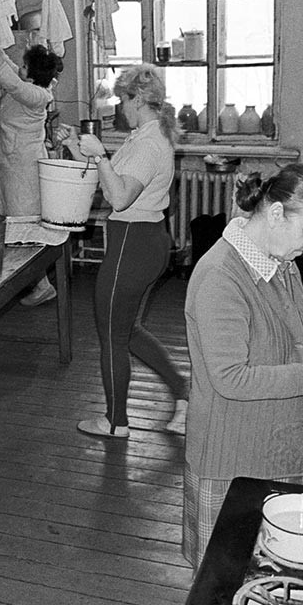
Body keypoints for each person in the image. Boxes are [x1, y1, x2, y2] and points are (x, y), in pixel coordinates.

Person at [181, 163, 303, 566]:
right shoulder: (220, 278)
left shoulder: (280, 263)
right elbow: (231, 378)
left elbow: (290, 334)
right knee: (224, 578)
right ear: (277, 214)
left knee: (274, 568)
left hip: (278, 447)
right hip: (233, 461)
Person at [71, 64, 189, 439]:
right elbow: (108, 179)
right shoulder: (145, 137)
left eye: (123, 99)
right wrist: (79, 149)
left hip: (132, 245)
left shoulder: (149, 144)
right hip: (145, 241)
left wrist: (101, 156)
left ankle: (115, 422)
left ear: (137, 99)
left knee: (110, 335)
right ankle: (182, 391)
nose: (119, 107)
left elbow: (119, 198)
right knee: (127, 330)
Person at [0, 41, 63, 306]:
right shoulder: (33, 86)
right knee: (17, 222)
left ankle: (40, 284)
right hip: (13, 162)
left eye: (26, 65)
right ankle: (35, 282)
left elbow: (14, 83)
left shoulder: (38, 95)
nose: (21, 68)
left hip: (23, 167)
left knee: (23, 224)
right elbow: (14, 73)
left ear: (33, 73)